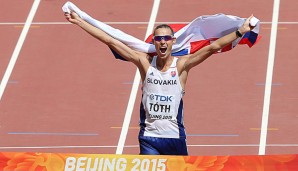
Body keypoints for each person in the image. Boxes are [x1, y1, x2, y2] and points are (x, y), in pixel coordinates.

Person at [64, 11, 255, 155]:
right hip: (149, 139)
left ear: (172, 41)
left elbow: (213, 47)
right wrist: (80, 21)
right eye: (158, 39)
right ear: (154, 43)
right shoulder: (144, 64)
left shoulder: (182, 66)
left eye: (166, 39)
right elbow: (111, 40)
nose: (162, 42)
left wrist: (241, 31)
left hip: (175, 138)